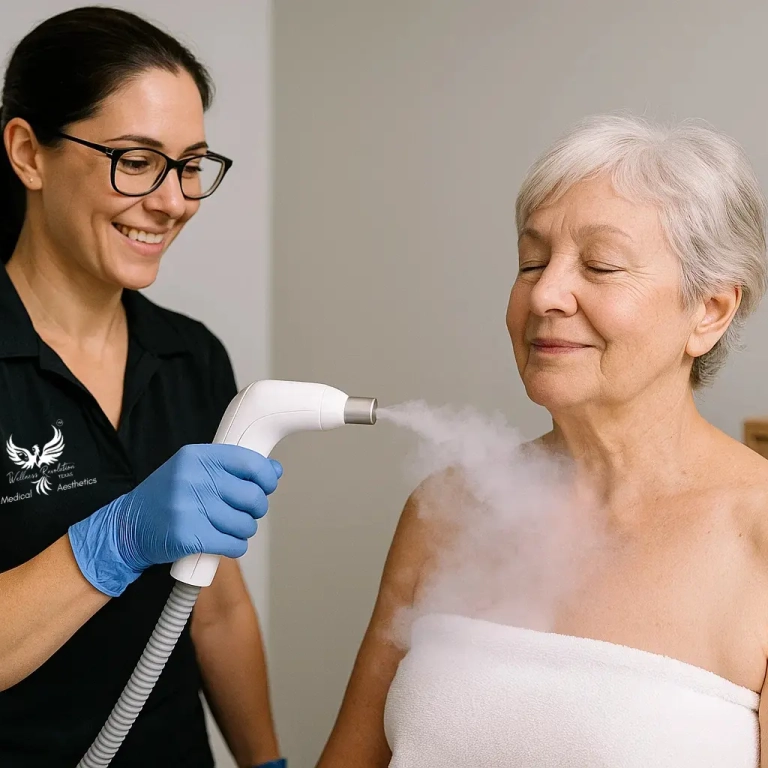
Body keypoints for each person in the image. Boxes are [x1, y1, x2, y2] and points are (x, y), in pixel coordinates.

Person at [317, 113, 768, 767]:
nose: (546, 293)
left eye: (601, 265)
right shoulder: (447, 509)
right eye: (532, 261)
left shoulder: (757, 533)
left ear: (710, 311)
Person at [0, 7, 286, 768]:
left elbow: (213, 606)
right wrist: (112, 541)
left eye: (191, 164)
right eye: (137, 159)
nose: (174, 200)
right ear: (29, 153)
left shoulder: (192, 360)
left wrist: (266, 764)